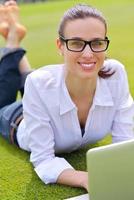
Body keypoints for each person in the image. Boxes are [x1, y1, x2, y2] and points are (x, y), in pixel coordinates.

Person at [0, 1, 134, 191]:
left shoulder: (115, 74)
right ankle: (13, 41)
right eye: (77, 43)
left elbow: (125, 145)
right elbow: (44, 159)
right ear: (60, 46)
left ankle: (16, 44)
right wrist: (87, 178)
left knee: (39, 83)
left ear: (105, 44)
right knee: (5, 100)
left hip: (43, 91)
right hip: (18, 119)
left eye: (97, 43)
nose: (88, 53)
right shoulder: (39, 85)